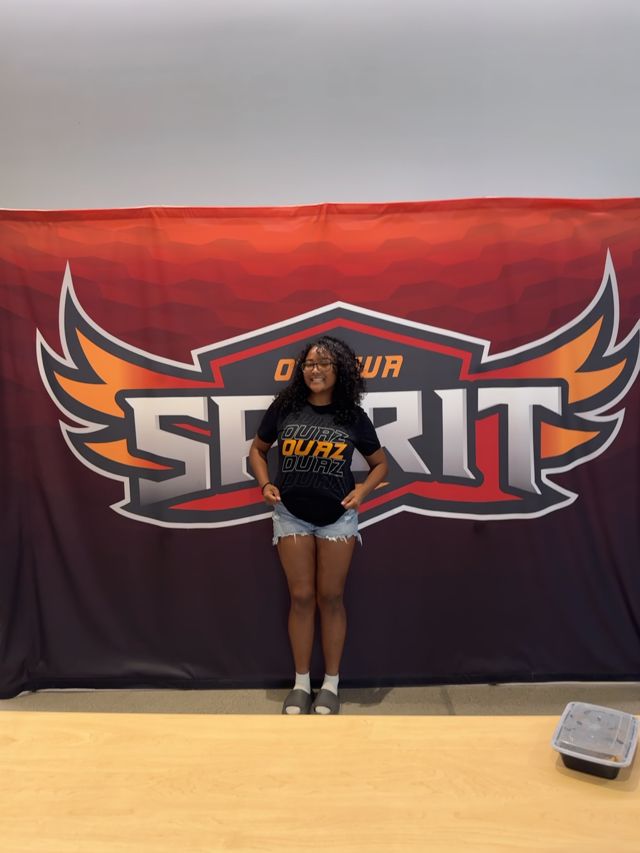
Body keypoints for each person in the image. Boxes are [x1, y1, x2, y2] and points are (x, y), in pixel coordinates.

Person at [249, 336, 388, 715]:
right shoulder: (285, 408)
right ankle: (300, 684)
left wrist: (362, 492)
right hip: (290, 514)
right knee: (301, 597)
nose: (315, 369)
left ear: (339, 370)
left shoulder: (351, 416)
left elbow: (380, 464)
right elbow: (258, 449)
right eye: (310, 363)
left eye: (324, 363)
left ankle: (330, 684)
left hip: (338, 518)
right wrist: (264, 483)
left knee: (331, 598)